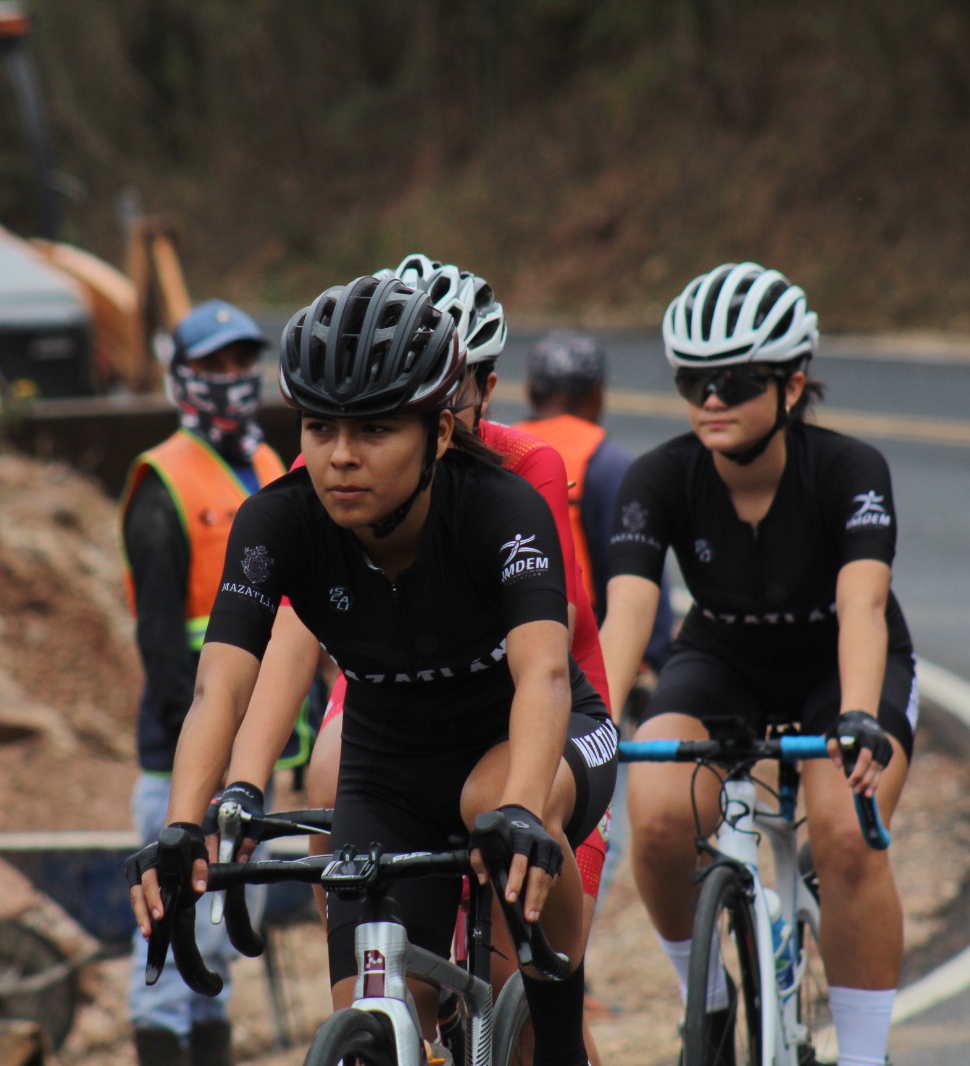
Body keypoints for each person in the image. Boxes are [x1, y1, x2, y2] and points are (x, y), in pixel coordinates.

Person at [130, 275, 618, 1066]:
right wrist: (186, 823)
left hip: (537, 739)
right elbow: (221, 685)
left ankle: (558, 1020)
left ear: (439, 430)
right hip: (389, 768)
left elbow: (546, 678)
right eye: (319, 427)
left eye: (376, 430)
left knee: (497, 815)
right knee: (371, 1019)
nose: (341, 457)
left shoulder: (501, 506)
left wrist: (528, 809)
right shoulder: (278, 519)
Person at [596, 264, 914, 1066]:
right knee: (660, 816)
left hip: (838, 668)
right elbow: (629, 615)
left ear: (793, 383)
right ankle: (704, 998)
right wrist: (586, 720)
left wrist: (860, 716)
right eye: (692, 380)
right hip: (723, 657)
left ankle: (866, 1055)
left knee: (844, 835)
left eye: (734, 382)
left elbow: (864, 607)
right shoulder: (658, 476)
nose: (711, 399)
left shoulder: (849, 471)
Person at [118, 299, 298, 1066]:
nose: (233, 379)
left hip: (257, 763)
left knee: (219, 940)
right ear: (183, 378)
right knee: (167, 938)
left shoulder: (267, 464)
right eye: (215, 366)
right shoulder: (164, 481)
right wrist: (208, 757)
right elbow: (161, 644)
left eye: (241, 363)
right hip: (180, 758)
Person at [514, 329, 675, 673]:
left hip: (508, 639)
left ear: (530, 391)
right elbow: (635, 564)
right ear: (597, 393)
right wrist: (654, 655)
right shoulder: (605, 460)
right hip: (579, 651)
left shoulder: (503, 450)